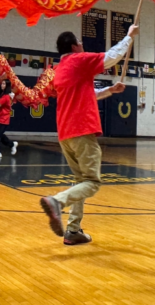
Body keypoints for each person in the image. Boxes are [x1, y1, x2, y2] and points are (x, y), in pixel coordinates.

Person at [40, 24, 138, 246]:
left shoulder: (60, 70)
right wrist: (129, 37)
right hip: (81, 130)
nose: (82, 44)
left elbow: (86, 94)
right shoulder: (79, 60)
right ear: (74, 46)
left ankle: (73, 230)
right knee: (92, 182)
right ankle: (57, 202)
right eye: (79, 42)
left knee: (81, 181)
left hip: (65, 134)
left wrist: (109, 90)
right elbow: (111, 57)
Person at [0, 79, 17, 159]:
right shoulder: (3, 94)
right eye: (2, 83)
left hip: (2, 120)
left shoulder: (6, 96)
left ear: (7, 86)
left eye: (4, 84)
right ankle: (12, 144)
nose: (2, 85)